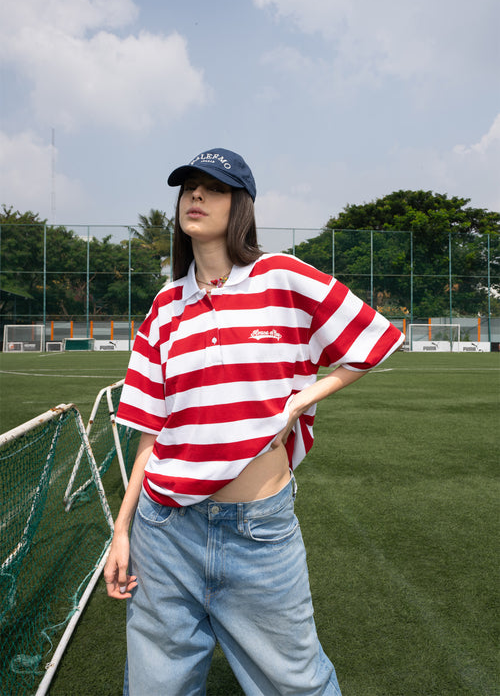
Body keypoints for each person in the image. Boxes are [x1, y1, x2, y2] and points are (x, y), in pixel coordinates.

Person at [104, 147, 404, 696]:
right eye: (187, 187)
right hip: (164, 531)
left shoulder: (280, 278)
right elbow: (151, 436)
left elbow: (377, 340)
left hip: (258, 531)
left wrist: (301, 399)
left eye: (212, 188)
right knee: (154, 688)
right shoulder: (163, 308)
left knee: (297, 685)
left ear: (239, 204)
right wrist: (121, 531)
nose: (195, 196)